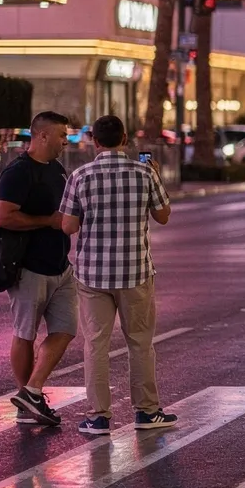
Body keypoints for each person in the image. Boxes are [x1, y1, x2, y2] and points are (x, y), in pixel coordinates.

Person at [60, 114, 176, 436]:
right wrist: (155, 178)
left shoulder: (80, 175)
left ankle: (98, 417)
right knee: (139, 343)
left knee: (96, 345)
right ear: (125, 139)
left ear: (94, 142)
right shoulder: (143, 173)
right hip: (136, 272)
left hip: (93, 275)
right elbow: (163, 216)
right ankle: (147, 411)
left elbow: (68, 226)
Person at [0, 112, 77, 427]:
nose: (65, 141)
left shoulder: (57, 169)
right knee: (25, 334)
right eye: (61, 135)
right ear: (42, 136)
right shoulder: (18, 172)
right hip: (29, 266)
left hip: (60, 264)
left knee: (66, 329)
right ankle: (25, 399)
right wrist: (48, 221)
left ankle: (31, 390)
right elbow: (3, 217)